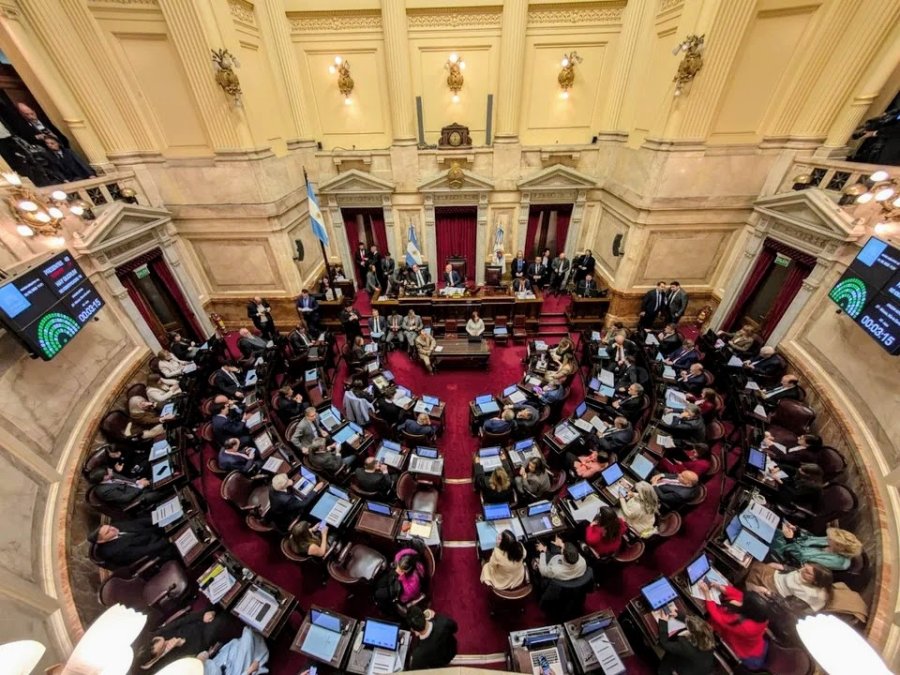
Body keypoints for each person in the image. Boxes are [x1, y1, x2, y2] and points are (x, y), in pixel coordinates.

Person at [699, 583, 769, 669]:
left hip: (749, 655)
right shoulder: (760, 615)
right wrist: (720, 587)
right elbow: (739, 594)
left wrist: (707, 594)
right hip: (757, 645)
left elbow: (717, 616)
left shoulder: (744, 626)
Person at [140, 609, 233, 671]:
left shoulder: (157, 635)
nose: (166, 641)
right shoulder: (166, 667)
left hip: (195, 624)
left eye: (164, 640)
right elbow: (195, 658)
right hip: (202, 640)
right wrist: (181, 643)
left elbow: (181, 622)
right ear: (154, 659)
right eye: (163, 646)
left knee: (213, 606)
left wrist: (201, 616)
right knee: (222, 619)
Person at [88, 517, 176, 568]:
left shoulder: (115, 527)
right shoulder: (117, 551)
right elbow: (145, 551)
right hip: (157, 552)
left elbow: (137, 523)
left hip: (152, 534)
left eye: (109, 526)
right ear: (102, 541)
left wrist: (158, 519)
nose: (113, 528)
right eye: (108, 532)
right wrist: (168, 541)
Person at [745, 561, 833, 612]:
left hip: (775, 589)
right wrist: (783, 567)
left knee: (748, 573)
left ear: (815, 581)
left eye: (807, 572)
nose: (803, 570)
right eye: (805, 568)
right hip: (777, 576)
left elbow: (788, 606)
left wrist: (768, 593)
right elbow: (797, 571)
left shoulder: (810, 595)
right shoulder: (806, 573)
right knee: (753, 564)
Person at [770, 524, 861, 571]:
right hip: (793, 544)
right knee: (772, 529)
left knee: (770, 541)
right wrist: (797, 531)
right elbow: (810, 538)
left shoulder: (839, 562)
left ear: (839, 546)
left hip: (792, 557)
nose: (827, 538)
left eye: (830, 539)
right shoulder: (831, 541)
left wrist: (790, 540)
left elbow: (802, 559)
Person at [87, 467, 167, 509]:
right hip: (134, 499)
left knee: (161, 478)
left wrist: (137, 482)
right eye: (109, 470)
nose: (111, 469)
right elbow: (124, 498)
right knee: (160, 492)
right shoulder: (104, 491)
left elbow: (126, 480)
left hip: (136, 487)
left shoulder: (111, 475)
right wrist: (140, 487)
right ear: (105, 477)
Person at [201, 626, 269, 675]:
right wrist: (248, 671)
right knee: (248, 635)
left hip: (218, 662)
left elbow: (200, 658)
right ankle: (259, 655)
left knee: (235, 644)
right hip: (233, 672)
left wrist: (209, 653)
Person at [407, 607, 458, 671]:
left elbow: (417, 670)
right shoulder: (443, 622)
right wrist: (436, 616)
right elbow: (455, 628)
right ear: (424, 616)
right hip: (451, 651)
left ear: (414, 630)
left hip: (437, 665)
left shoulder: (418, 655)